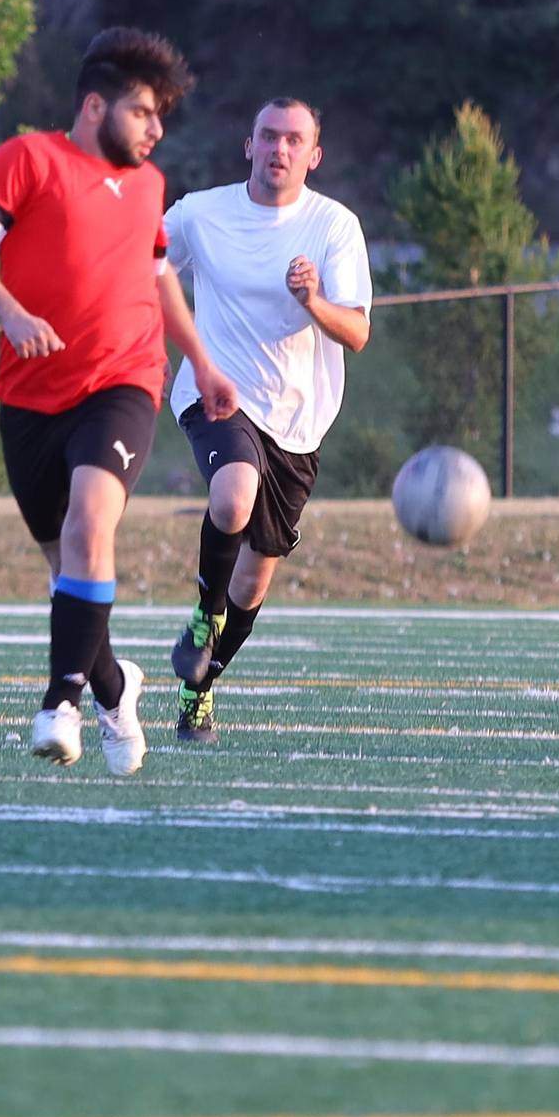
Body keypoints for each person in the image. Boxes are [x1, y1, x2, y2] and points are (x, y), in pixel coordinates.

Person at [0, 28, 238, 776]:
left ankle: (61, 702)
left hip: (122, 382)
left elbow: (157, 276)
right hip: (30, 393)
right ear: (96, 106)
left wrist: (201, 361)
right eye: (143, 111)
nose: (156, 128)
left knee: (90, 524)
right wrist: (11, 311)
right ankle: (115, 685)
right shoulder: (27, 159)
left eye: (161, 115)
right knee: (66, 563)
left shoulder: (148, 185)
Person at [163, 98, 371, 740]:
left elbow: (357, 332)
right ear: (249, 146)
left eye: (294, 140)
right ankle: (204, 616)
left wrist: (313, 300)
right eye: (269, 136)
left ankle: (199, 689)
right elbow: (142, 265)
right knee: (233, 495)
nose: (280, 148)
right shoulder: (199, 214)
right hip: (217, 392)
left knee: (253, 581)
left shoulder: (334, 226)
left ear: (314, 155)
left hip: (298, 421)